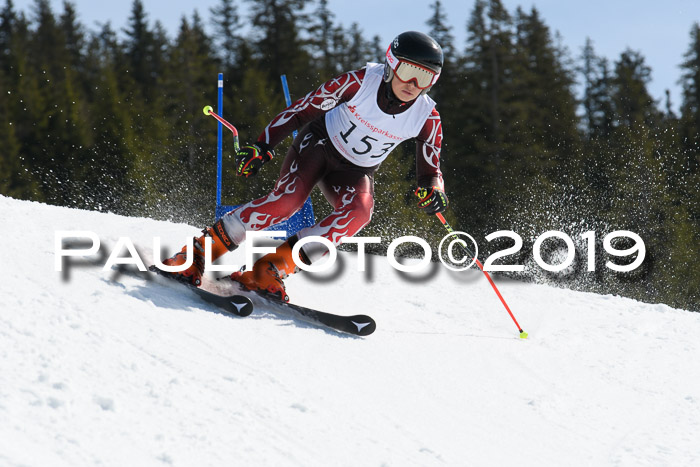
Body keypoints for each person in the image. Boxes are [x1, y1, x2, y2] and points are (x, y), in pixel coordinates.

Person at [161, 31, 449, 302]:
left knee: (359, 213)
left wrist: (433, 191)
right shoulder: (359, 82)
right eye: (409, 71)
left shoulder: (427, 117)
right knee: (287, 203)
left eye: (425, 77)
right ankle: (196, 254)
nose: (413, 84)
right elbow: (301, 109)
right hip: (319, 146)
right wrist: (263, 145)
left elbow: (431, 171)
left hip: (355, 171)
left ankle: (267, 270)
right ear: (390, 64)